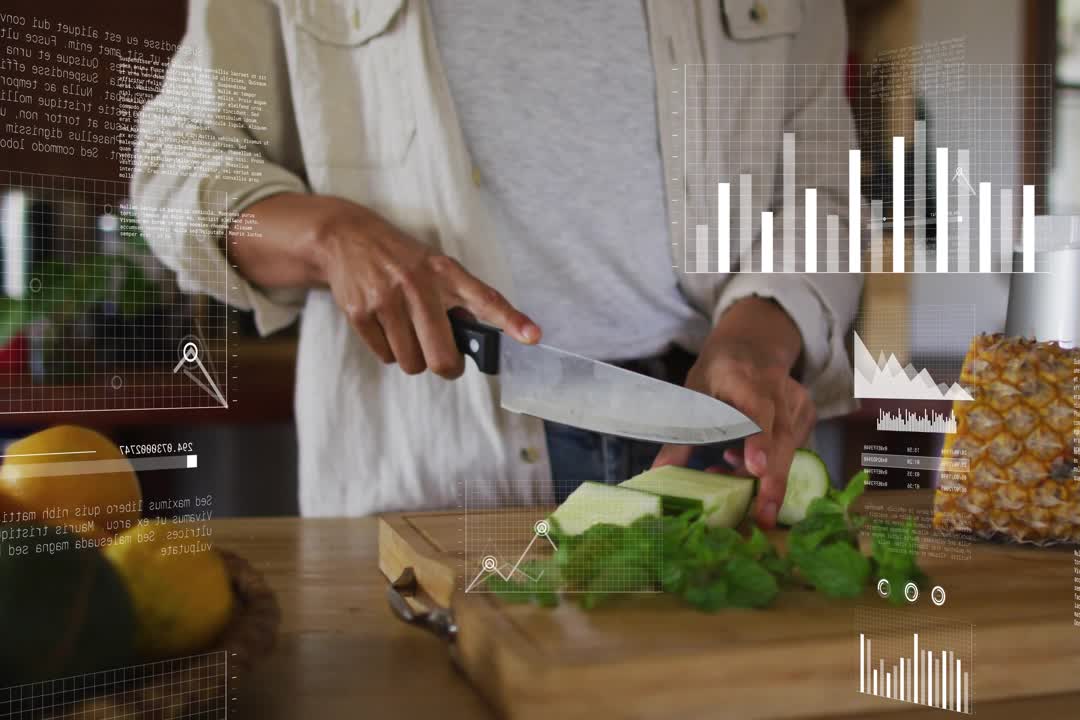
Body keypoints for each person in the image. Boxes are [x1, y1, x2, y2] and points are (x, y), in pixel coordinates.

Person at [131, 0, 860, 527]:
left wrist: (754, 342)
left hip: (710, 443)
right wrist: (330, 236)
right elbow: (174, 174)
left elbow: (824, 192)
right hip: (432, 469)